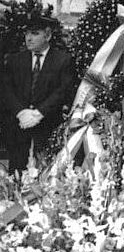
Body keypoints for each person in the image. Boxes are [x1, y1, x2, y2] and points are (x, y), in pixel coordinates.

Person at [0, 11, 76, 172]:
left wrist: (38, 113)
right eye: (27, 33)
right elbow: (6, 90)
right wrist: (21, 112)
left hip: (47, 123)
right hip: (18, 125)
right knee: (16, 170)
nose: (29, 38)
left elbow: (63, 91)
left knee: (45, 170)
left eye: (35, 34)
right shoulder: (14, 60)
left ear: (47, 36)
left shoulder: (63, 60)